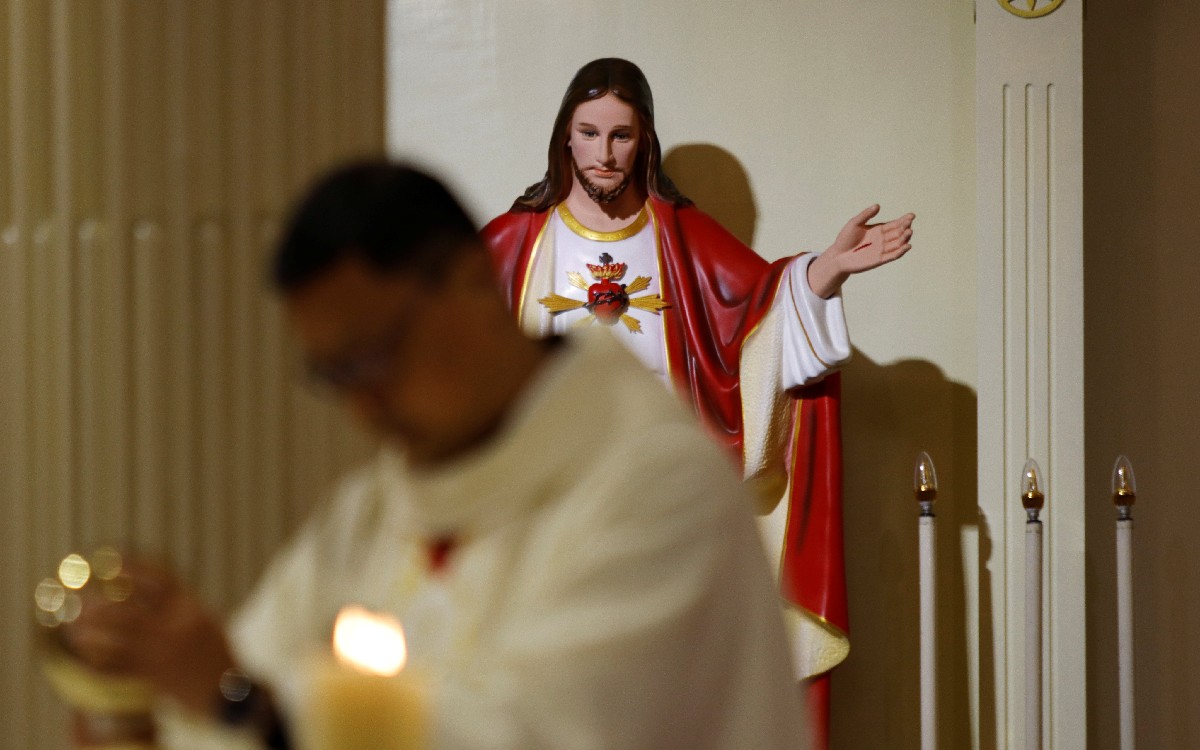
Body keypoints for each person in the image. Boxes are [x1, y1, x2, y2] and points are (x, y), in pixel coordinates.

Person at [60, 161, 810, 749]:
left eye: (376, 355)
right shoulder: (373, 510)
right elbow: (242, 681)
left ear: (472, 283)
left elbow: (544, 737)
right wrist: (145, 688)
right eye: (333, 375)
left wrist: (234, 696)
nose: (362, 404)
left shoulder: (655, 485)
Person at [481, 57, 914, 740]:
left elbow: (763, 316)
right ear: (565, 135)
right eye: (588, 133)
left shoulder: (679, 236)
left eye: (620, 135)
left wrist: (826, 271)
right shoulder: (513, 245)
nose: (603, 153)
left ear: (644, 140)